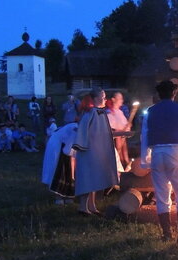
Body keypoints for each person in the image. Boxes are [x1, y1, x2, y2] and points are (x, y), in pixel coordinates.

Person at [140, 80, 178, 244]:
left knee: (161, 194)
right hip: (175, 152)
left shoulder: (150, 112)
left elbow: (145, 136)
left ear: (159, 95)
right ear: (174, 93)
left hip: (157, 153)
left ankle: (166, 234)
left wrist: (145, 159)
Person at [73, 88, 118, 216]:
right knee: (88, 178)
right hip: (89, 152)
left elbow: (102, 132)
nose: (105, 99)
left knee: (94, 179)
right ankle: (83, 207)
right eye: (103, 97)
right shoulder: (91, 113)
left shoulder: (100, 112)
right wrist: (82, 146)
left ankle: (92, 207)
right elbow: (83, 130)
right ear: (97, 98)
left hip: (97, 151)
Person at [42, 122, 78, 205]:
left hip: (66, 148)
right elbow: (68, 150)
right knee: (60, 170)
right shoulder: (75, 129)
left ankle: (69, 194)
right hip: (59, 149)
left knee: (70, 171)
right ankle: (58, 196)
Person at [106, 91, 134, 169]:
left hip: (122, 142)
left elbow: (125, 126)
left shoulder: (120, 112)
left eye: (122, 98)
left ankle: (126, 164)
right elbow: (111, 127)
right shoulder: (109, 112)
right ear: (113, 99)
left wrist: (128, 125)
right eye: (120, 98)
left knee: (123, 149)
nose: (122, 100)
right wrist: (119, 131)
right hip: (115, 143)